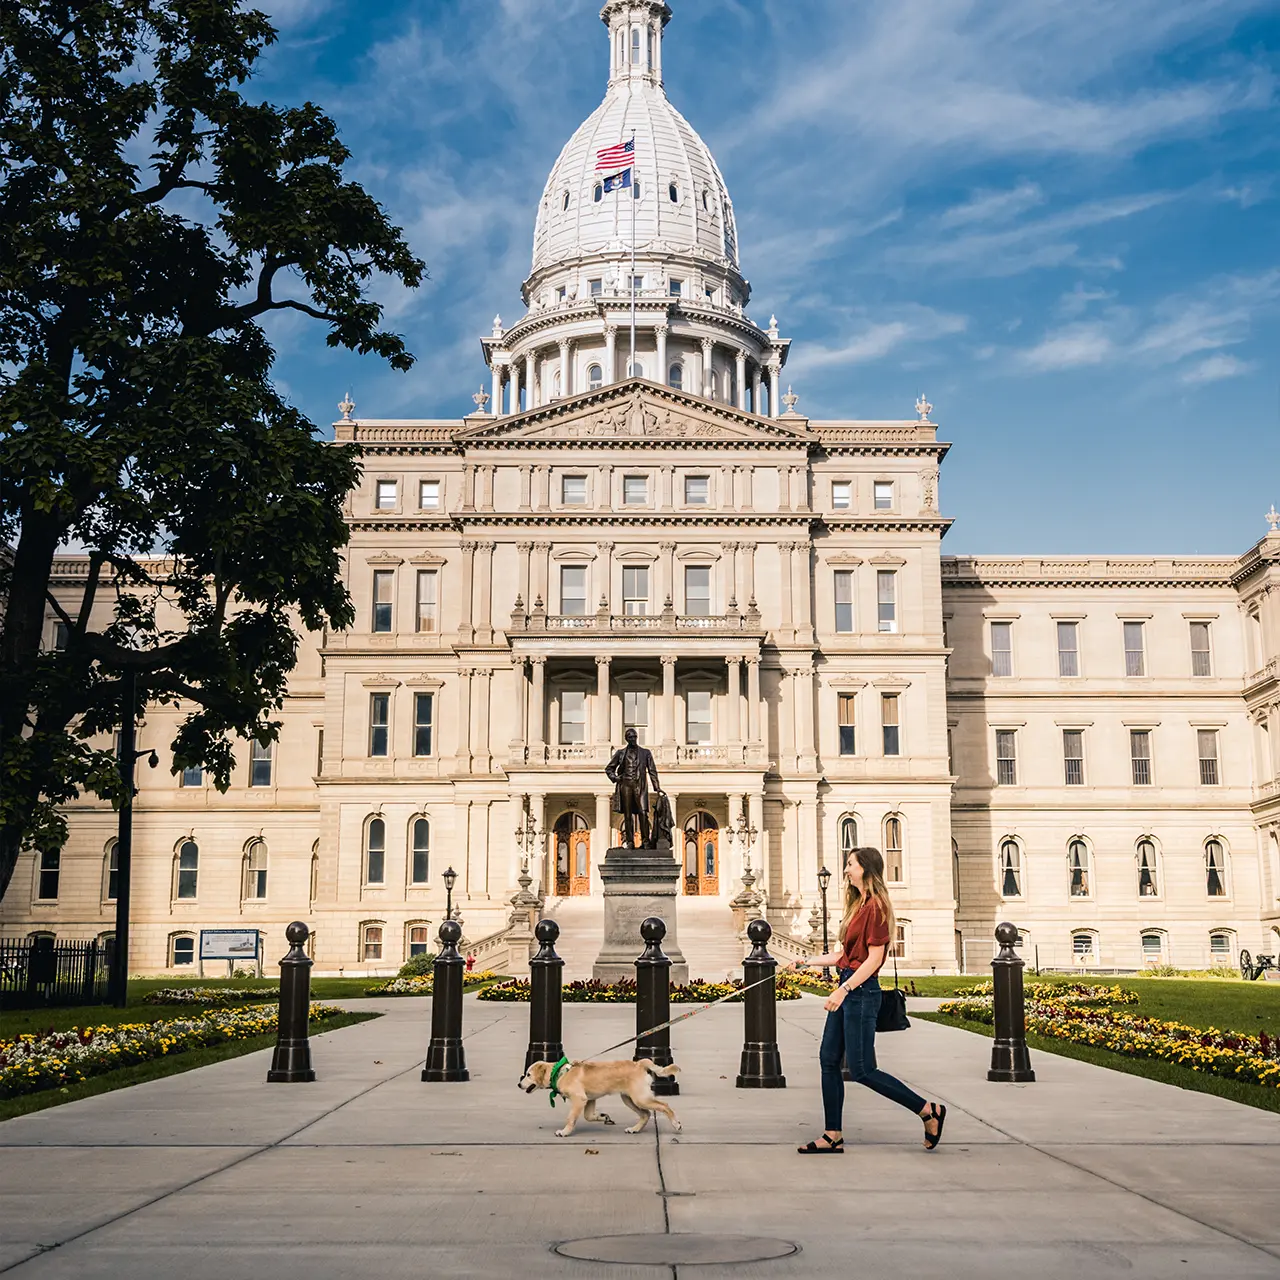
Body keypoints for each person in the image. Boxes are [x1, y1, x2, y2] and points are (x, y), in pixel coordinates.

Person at [785, 846, 946, 1154]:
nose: (845, 870)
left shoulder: (876, 907)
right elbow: (845, 956)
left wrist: (843, 990)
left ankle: (927, 1110)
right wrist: (807, 962)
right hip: (850, 988)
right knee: (829, 1060)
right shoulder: (859, 906)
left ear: (866, 869)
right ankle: (832, 1134)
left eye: (850, 864)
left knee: (862, 1070)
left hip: (860, 994)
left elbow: (874, 960)